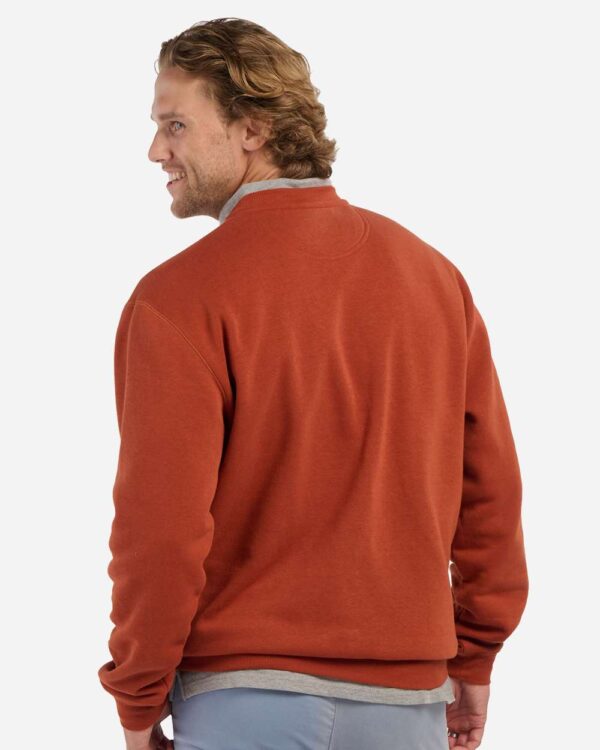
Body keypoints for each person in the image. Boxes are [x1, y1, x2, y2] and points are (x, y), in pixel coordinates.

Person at [97, 16, 529, 750]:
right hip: (408, 704)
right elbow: (490, 492)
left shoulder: (179, 299)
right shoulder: (433, 279)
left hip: (247, 701)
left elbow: (160, 531)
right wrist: (475, 655)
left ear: (253, 128)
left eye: (175, 124)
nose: (156, 150)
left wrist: (137, 703)